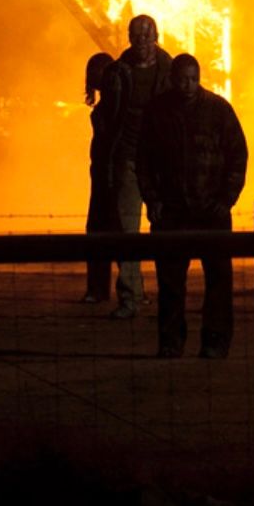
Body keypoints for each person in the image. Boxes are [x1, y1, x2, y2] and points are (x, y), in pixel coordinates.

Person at [137, 53, 250, 358]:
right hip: (171, 213)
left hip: (210, 212)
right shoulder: (157, 113)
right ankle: (171, 342)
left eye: (193, 79)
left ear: (199, 79)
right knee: (170, 283)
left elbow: (237, 156)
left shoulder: (217, 110)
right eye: (182, 79)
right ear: (172, 80)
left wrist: (225, 200)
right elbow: (144, 162)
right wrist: (154, 201)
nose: (188, 86)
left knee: (218, 282)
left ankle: (215, 341)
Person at [100, 18, 176, 319]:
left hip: (161, 162)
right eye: (136, 35)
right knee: (127, 229)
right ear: (130, 38)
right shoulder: (119, 72)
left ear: (156, 36)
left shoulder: (171, 71)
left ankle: (169, 296)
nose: (142, 40)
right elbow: (108, 117)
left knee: (165, 231)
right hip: (128, 159)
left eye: (147, 35)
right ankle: (131, 297)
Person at [81, 50, 117, 303]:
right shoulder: (106, 106)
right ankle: (98, 288)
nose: (94, 78)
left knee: (115, 232)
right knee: (98, 231)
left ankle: (109, 290)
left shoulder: (116, 106)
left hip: (115, 176)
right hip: (102, 175)